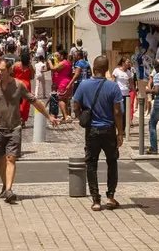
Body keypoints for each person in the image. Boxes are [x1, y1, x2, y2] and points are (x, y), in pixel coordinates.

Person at [0, 58, 58, 203]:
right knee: (0, 160)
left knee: (11, 158)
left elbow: (34, 101)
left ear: (9, 70)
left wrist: (48, 116)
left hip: (14, 128)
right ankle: (5, 186)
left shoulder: (19, 85)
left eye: (2, 70)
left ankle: (9, 190)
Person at [72, 55, 124, 211]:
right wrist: (120, 132)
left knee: (91, 164)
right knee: (112, 163)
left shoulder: (83, 85)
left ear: (93, 68)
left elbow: (75, 106)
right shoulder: (113, 87)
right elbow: (117, 112)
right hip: (108, 130)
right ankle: (110, 197)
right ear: (107, 69)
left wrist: (81, 117)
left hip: (92, 131)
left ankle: (96, 200)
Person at [47, 49, 73, 123]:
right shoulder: (67, 62)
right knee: (65, 100)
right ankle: (66, 116)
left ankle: (66, 116)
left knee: (60, 100)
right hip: (66, 82)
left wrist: (49, 62)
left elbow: (53, 69)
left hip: (63, 83)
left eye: (58, 55)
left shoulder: (63, 63)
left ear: (62, 56)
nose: (57, 57)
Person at [11, 50, 35, 127]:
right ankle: (23, 120)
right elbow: (32, 76)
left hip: (16, 84)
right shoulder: (30, 66)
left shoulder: (16, 65)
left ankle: (16, 119)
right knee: (25, 103)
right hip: (26, 85)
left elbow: (11, 73)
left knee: (16, 102)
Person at [111, 57, 133, 133]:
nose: (129, 64)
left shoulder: (129, 72)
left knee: (125, 113)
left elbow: (131, 82)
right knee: (119, 111)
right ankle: (116, 126)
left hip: (126, 94)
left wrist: (133, 90)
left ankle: (122, 129)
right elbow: (113, 82)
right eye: (128, 62)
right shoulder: (116, 71)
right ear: (123, 63)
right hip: (118, 94)